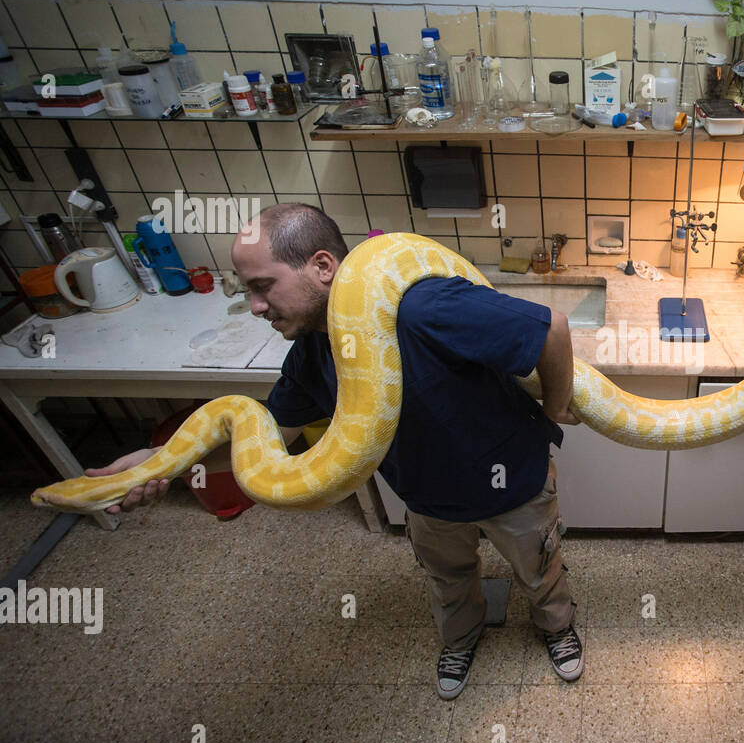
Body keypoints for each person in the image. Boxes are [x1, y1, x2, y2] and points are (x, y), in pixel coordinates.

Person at [86, 204, 583, 700]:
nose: (255, 306)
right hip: (427, 497)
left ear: (323, 267)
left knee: (539, 568)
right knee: (447, 578)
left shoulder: (424, 308)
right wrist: (161, 464)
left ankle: (556, 627)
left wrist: (556, 406)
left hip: (511, 482)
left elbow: (552, 328)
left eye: (263, 286)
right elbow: (268, 440)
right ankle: (460, 638)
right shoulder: (310, 355)